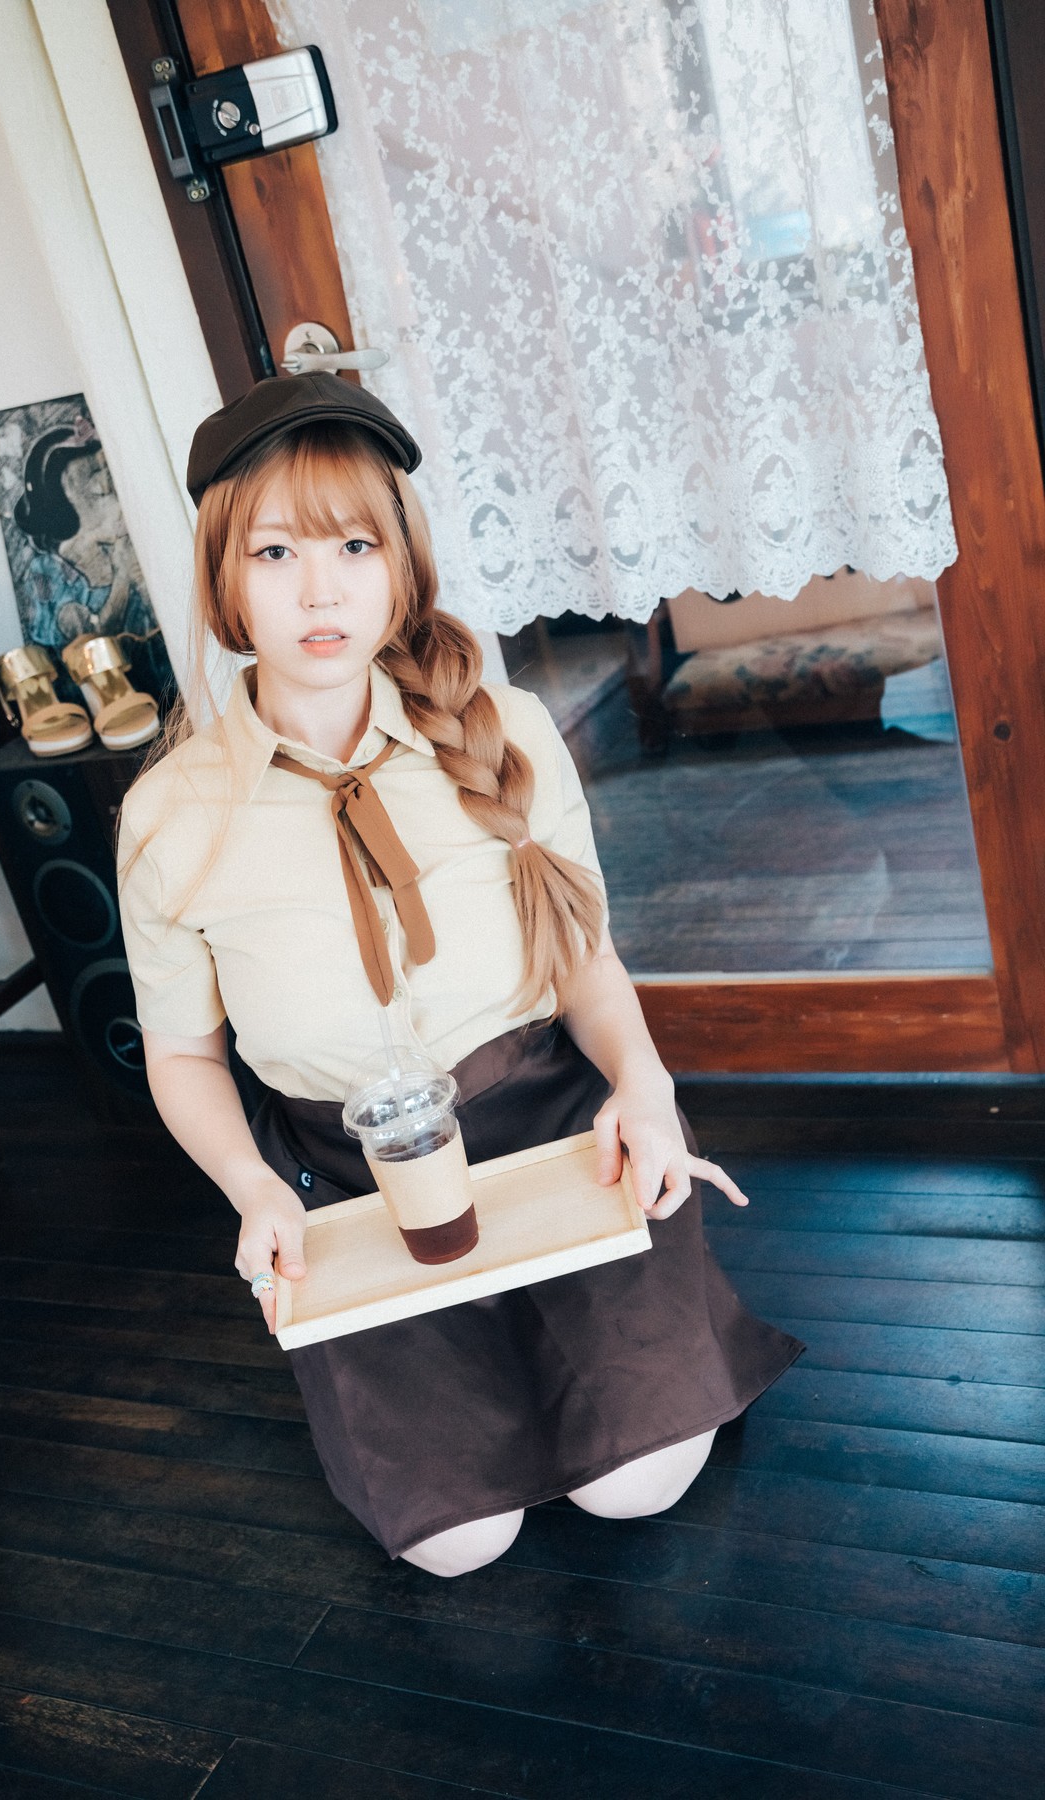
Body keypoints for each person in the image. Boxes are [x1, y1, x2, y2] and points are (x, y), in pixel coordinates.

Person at [115, 375, 803, 1578]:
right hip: (348, 1184)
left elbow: (584, 959)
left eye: (355, 545)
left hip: (555, 1136)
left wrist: (643, 1090)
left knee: (634, 1488)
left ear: (402, 565)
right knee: (458, 1545)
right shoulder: (169, 816)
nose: (321, 591)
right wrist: (254, 1190)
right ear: (224, 579)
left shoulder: (508, 729)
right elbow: (180, 1054)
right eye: (275, 552)